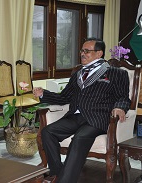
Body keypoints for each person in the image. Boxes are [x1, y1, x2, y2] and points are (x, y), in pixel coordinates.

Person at [33, 38, 130, 183]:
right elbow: (64, 97)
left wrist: (119, 107)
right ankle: (58, 173)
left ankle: (64, 181)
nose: (82, 54)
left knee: (79, 138)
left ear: (99, 53)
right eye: (82, 51)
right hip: (75, 116)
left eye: (87, 51)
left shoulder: (116, 73)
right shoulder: (77, 74)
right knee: (48, 132)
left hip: (97, 118)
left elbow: (123, 97)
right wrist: (43, 94)